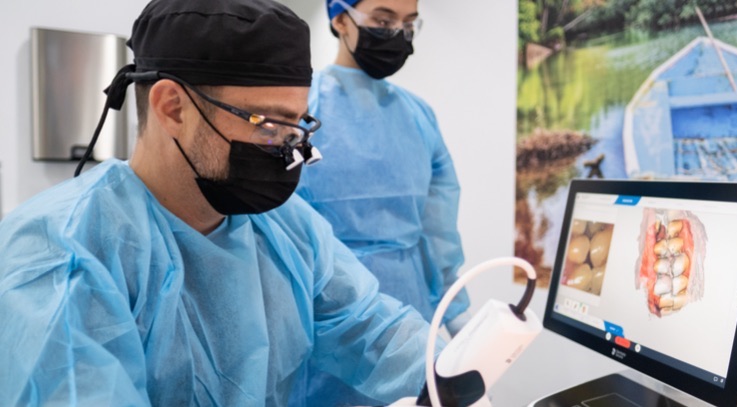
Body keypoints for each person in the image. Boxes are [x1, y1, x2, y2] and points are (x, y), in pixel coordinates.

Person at [0, 0, 438, 405]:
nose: (286, 148)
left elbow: (370, 329)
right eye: (268, 123)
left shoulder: (286, 228)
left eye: (295, 126)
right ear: (173, 107)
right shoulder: (58, 253)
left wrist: (452, 373)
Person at [293, 1, 472, 404]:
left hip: (412, 315)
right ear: (340, 20)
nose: (398, 36)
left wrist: (457, 310)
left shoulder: (418, 114)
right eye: (383, 21)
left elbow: (437, 225)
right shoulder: (302, 114)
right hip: (328, 318)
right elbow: (284, 229)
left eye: (408, 24)